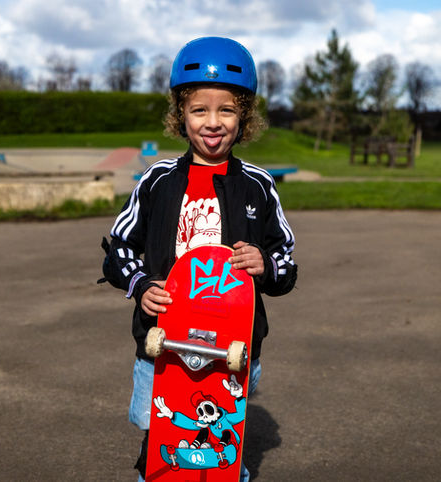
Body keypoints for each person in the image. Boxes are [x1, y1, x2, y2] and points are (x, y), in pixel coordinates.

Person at [100, 36, 298, 482]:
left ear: (244, 116)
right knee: (162, 442)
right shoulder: (158, 180)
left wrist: (264, 263)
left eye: (226, 110)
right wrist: (142, 285)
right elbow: (118, 249)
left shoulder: (258, 185)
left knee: (223, 448)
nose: (213, 123)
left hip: (233, 348)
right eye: (199, 110)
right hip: (162, 346)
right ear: (180, 115)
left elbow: (286, 260)